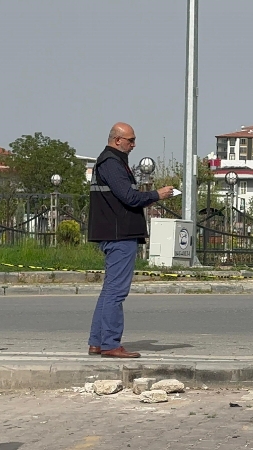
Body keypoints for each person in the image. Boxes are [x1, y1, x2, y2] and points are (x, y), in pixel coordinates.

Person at [87, 122, 173, 358]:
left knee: (109, 291)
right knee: (116, 291)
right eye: (130, 140)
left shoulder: (110, 162)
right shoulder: (111, 163)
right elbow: (129, 197)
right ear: (117, 140)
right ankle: (111, 344)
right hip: (119, 234)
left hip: (114, 233)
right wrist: (157, 195)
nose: (134, 145)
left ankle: (98, 341)